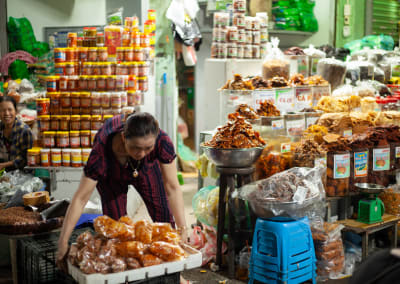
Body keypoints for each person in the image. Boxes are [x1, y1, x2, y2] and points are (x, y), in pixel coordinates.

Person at [56, 112, 187, 271]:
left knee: (165, 222)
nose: (142, 154)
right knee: (117, 233)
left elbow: (172, 187)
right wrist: (63, 242)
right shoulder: (101, 152)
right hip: (112, 176)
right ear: (124, 137)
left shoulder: (161, 141)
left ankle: (174, 274)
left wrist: (182, 229)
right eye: (136, 148)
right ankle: (125, 276)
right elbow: (80, 198)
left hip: (145, 170)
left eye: (148, 148)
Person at [0, 96, 33, 171]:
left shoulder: (25, 131)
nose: (6, 113)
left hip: (22, 174)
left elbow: (26, 158)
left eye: (10, 110)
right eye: (2, 110)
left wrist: (4, 165)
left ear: (16, 111)